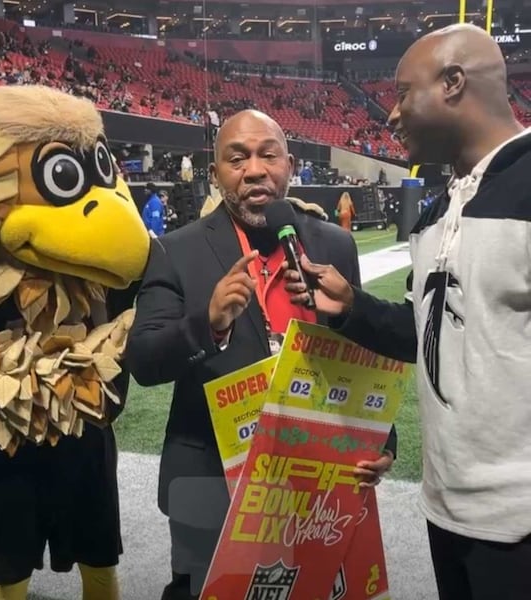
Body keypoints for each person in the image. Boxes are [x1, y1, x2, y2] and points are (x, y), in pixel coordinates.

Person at [283, 24, 531, 600]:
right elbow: (430, 334)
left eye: (401, 93)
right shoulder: (438, 207)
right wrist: (352, 308)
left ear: (452, 83)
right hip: (447, 504)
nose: (390, 115)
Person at [126, 109, 396, 600]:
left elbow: (357, 353)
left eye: (267, 155)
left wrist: (381, 438)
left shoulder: (333, 244)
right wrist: (207, 324)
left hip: (316, 477)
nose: (254, 170)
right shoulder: (174, 250)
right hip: (210, 475)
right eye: (238, 158)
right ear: (215, 174)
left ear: (289, 165)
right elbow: (143, 361)